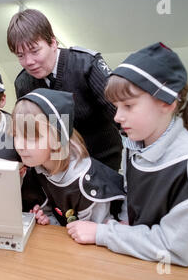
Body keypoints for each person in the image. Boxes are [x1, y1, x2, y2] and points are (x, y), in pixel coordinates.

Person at [66, 42, 188, 266]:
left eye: (128, 106)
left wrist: (103, 234)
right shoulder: (133, 147)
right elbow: (132, 202)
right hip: (145, 261)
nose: (117, 117)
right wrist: (124, 225)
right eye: (116, 107)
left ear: (166, 103)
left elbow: (174, 248)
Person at [7, 8, 122, 172]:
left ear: (53, 42)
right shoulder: (23, 83)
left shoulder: (86, 64)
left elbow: (119, 113)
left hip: (102, 159)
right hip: (58, 165)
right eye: (20, 55)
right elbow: (30, 131)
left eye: (34, 51)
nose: (28, 61)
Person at [12, 88, 125, 226]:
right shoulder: (38, 167)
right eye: (15, 135)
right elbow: (62, 220)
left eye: (30, 138)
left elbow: (97, 234)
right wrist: (49, 221)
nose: (19, 145)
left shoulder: (86, 183)